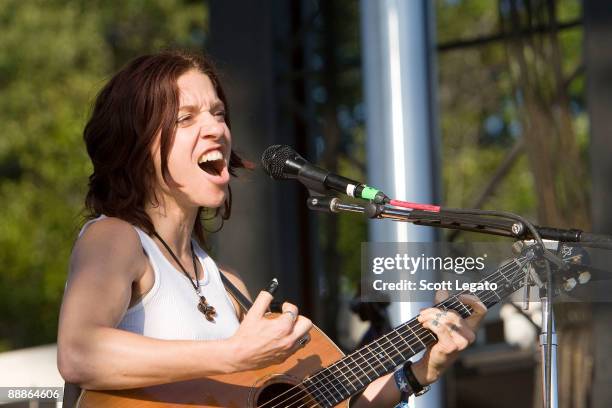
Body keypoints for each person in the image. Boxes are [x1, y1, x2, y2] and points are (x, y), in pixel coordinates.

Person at [56, 49, 488, 407]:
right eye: (185, 119)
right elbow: (78, 353)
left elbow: (336, 399)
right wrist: (230, 355)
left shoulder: (228, 285)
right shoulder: (115, 237)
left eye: (218, 113)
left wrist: (420, 370)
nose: (216, 128)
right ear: (135, 144)